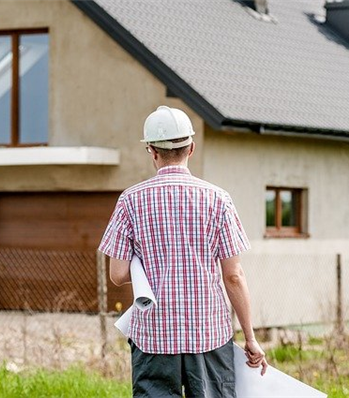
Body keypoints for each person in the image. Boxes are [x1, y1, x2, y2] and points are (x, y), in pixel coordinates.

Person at [99, 105, 267, 397]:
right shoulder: (218, 199)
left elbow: (117, 274)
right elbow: (234, 276)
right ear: (191, 147)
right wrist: (250, 338)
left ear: (151, 151)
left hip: (153, 337)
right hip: (208, 335)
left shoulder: (130, 201)